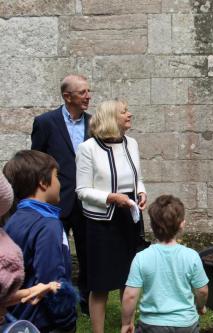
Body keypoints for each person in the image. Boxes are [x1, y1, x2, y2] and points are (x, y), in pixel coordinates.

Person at [76, 99, 147, 333]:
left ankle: (128, 326)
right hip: (101, 223)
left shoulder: (132, 143)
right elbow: (82, 191)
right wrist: (110, 198)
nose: (130, 114)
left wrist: (141, 191)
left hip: (130, 219)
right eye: (124, 112)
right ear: (110, 118)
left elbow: (136, 177)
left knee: (130, 279)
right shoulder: (88, 148)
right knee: (100, 283)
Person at [31, 74, 91, 314]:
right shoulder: (45, 122)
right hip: (57, 203)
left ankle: (87, 301)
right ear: (68, 97)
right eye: (83, 92)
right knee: (56, 255)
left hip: (87, 202)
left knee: (88, 253)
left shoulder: (93, 123)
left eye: (88, 91)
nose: (88, 96)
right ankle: (59, 302)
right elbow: (37, 161)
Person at [3, 150, 78, 332]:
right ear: (43, 183)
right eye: (56, 177)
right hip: (45, 322)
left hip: (18, 317)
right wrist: (67, 321)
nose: (60, 183)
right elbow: (51, 278)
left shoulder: (12, 220)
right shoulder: (49, 225)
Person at [121, 195, 209, 333]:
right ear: (182, 224)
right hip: (186, 324)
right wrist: (200, 307)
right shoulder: (192, 256)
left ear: (152, 225)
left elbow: (130, 296)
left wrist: (126, 323)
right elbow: (202, 290)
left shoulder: (141, 258)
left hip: (152, 325)